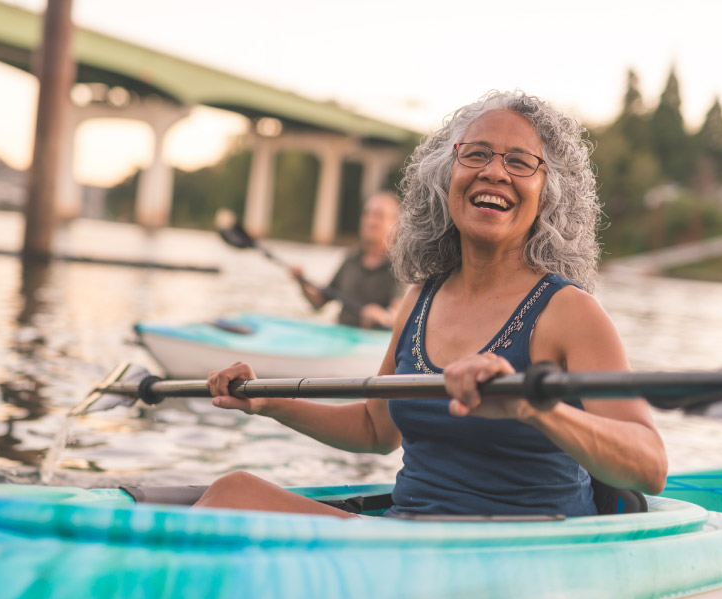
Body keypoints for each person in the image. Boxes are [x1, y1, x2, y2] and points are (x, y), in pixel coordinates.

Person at [195, 90, 668, 519]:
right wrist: (270, 401)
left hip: (521, 550)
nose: (494, 171)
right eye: (476, 154)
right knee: (232, 490)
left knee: (230, 498)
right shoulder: (421, 298)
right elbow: (376, 428)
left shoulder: (568, 312)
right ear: (446, 177)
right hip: (407, 537)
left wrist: (532, 406)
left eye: (521, 162)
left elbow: (649, 467)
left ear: (549, 194)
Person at [291, 191, 403, 329]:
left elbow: (399, 314)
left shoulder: (401, 267)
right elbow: (319, 302)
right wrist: (301, 281)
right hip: (342, 338)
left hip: (373, 343)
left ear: (395, 226)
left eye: (379, 216)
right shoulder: (351, 260)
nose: (370, 221)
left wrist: (384, 317)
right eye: (367, 214)